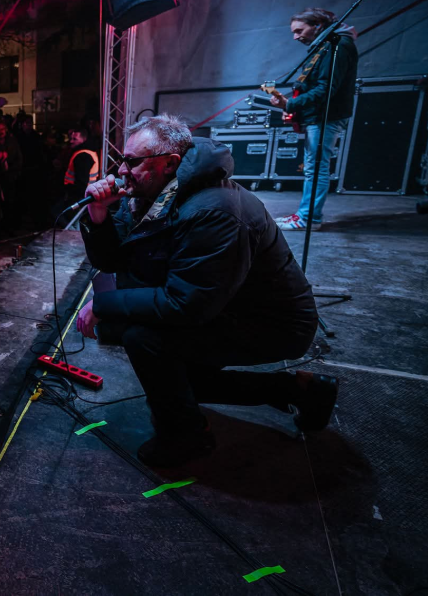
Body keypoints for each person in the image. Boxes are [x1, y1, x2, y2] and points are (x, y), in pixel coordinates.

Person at [76, 115, 336, 468]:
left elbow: (186, 305)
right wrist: (98, 215)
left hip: (271, 322)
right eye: (122, 159)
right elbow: (111, 260)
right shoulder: (152, 195)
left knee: (146, 340)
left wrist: (103, 304)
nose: (121, 170)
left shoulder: (215, 210)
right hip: (224, 306)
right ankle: (300, 391)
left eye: (132, 161)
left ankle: (187, 436)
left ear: (170, 163)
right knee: (172, 373)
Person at [269, 7, 358, 231]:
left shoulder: (338, 45)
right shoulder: (325, 46)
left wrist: (290, 104)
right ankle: (305, 215)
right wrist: (292, 104)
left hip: (326, 117)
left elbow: (326, 89)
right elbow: (314, 85)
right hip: (317, 116)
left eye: (299, 30)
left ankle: (309, 219)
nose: (295, 36)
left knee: (316, 169)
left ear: (317, 25)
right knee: (312, 168)